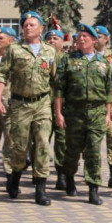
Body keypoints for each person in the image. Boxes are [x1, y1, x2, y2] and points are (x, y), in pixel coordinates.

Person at [0, 12, 58, 206]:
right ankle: (15, 175)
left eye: (32, 24)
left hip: (42, 104)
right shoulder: (14, 50)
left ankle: (40, 189)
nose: (28, 27)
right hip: (20, 104)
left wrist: (57, 109)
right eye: (25, 25)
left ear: (41, 28)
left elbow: (55, 81)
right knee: (19, 146)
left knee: (42, 145)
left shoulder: (50, 51)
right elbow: (2, 75)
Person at [54, 23, 112, 206]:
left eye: (85, 37)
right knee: (72, 150)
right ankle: (70, 177)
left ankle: (93, 188)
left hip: (96, 112)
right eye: (79, 36)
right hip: (74, 113)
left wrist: (108, 112)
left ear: (94, 40)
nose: (80, 39)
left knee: (94, 152)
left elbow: (107, 90)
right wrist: (58, 113)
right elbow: (59, 89)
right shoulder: (67, 60)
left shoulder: (103, 63)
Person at [0, 26, 17, 192]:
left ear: (11, 40)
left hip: (11, 107)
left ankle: (10, 178)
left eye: (1, 38)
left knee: (10, 143)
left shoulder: (16, 58)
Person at [94, 24, 112, 189]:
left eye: (99, 36)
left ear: (106, 39)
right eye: (94, 36)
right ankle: (93, 174)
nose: (96, 39)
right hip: (92, 103)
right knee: (92, 141)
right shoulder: (85, 55)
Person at [44, 28, 68, 190]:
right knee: (41, 140)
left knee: (61, 141)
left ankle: (61, 174)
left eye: (55, 38)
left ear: (62, 42)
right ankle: (40, 173)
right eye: (49, 38)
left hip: (62, 107)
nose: (52, 40)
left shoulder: (68, 59)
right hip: (43, 104)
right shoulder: (42, 57)